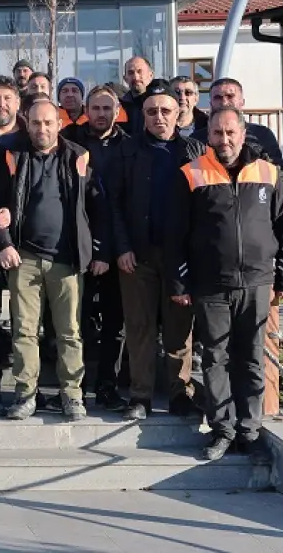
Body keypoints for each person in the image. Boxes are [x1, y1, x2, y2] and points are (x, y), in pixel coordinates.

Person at [167, 108, 283, 463]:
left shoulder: (268, 173)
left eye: (230, 133)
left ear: (243, 133)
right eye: (217, 133)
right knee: (216, 357)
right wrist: (180, 281)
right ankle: (223, 429)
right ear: (208, 135)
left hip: (257, 281)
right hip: (210, 284)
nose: (224, 140)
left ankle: (249, 430)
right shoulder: (192, 173)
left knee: (252, 356)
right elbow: (176, 233)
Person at [0, 100, 105, 421]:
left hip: (67, 260)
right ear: (26, 124)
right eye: (36, 123)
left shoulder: (78, 157)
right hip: (24, 258)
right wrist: (4, 243)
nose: (42, 129)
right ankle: (26, 394)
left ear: (59, 124)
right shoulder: (12, 156)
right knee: (24, 331)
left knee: (70, 332)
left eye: (48, 123)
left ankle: (72, 395)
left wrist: (98, 251)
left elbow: (97, 206)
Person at [107, 79, 202, 420]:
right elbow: (113, 203)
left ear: (178, 113)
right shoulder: (127, 151)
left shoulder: (194, 152)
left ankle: (179, 393)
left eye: (165, 111)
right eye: (151, 112)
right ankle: (140, 396)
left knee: (179, 329)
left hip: (180, 258)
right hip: (137, 255)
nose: (158, 117)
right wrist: (122, 247)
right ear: (143, 116)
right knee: (139, 328)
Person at [64, 84, 129, 410]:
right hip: (74, 246)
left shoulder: (129, 146)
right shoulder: (68, 142)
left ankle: (107, 385)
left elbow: (123, 202)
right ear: (86, 110)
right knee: (74, 322)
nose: (101, 114)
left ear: (117, 111)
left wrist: (107, 251)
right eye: (96, 108)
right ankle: (74, 386)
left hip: (117, 250)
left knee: (115, 323)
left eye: (107, 108)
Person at [194, 78, 283, 166]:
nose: (224, 102)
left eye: (230, 96)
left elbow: (277, 171)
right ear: (210, 104)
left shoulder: (262, 135)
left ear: (242, 102)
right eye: (218, 97)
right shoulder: (197, 139)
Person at [119, 56, 154, 135]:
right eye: (131, 73)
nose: (136, 77)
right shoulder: (119, 108)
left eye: (140, 71)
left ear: (151, 75)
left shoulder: (161, 105)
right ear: (125, 79)